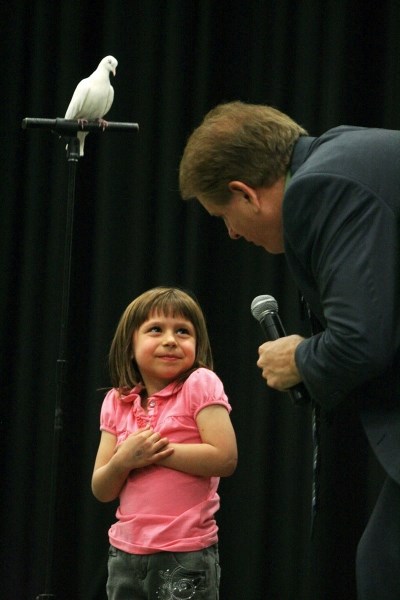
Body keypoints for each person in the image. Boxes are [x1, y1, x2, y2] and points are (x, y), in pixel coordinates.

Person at [179, 101, 400, 600]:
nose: (232, 234)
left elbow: (361, 341)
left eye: (224, 217)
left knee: (386, 564)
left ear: (244, 193)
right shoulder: (342, 152)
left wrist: (298, 358)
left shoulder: (319, 188)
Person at [92, 286, 237, 600]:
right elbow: (102, 488)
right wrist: (124, 460)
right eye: (156, 329)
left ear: (197, 346)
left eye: (183, 331)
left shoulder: (200, 383)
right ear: (130, 345)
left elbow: (224, 458)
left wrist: (153, 452)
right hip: (124, 554)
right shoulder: (116, 402)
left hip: (184, 554)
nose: (171, 340)